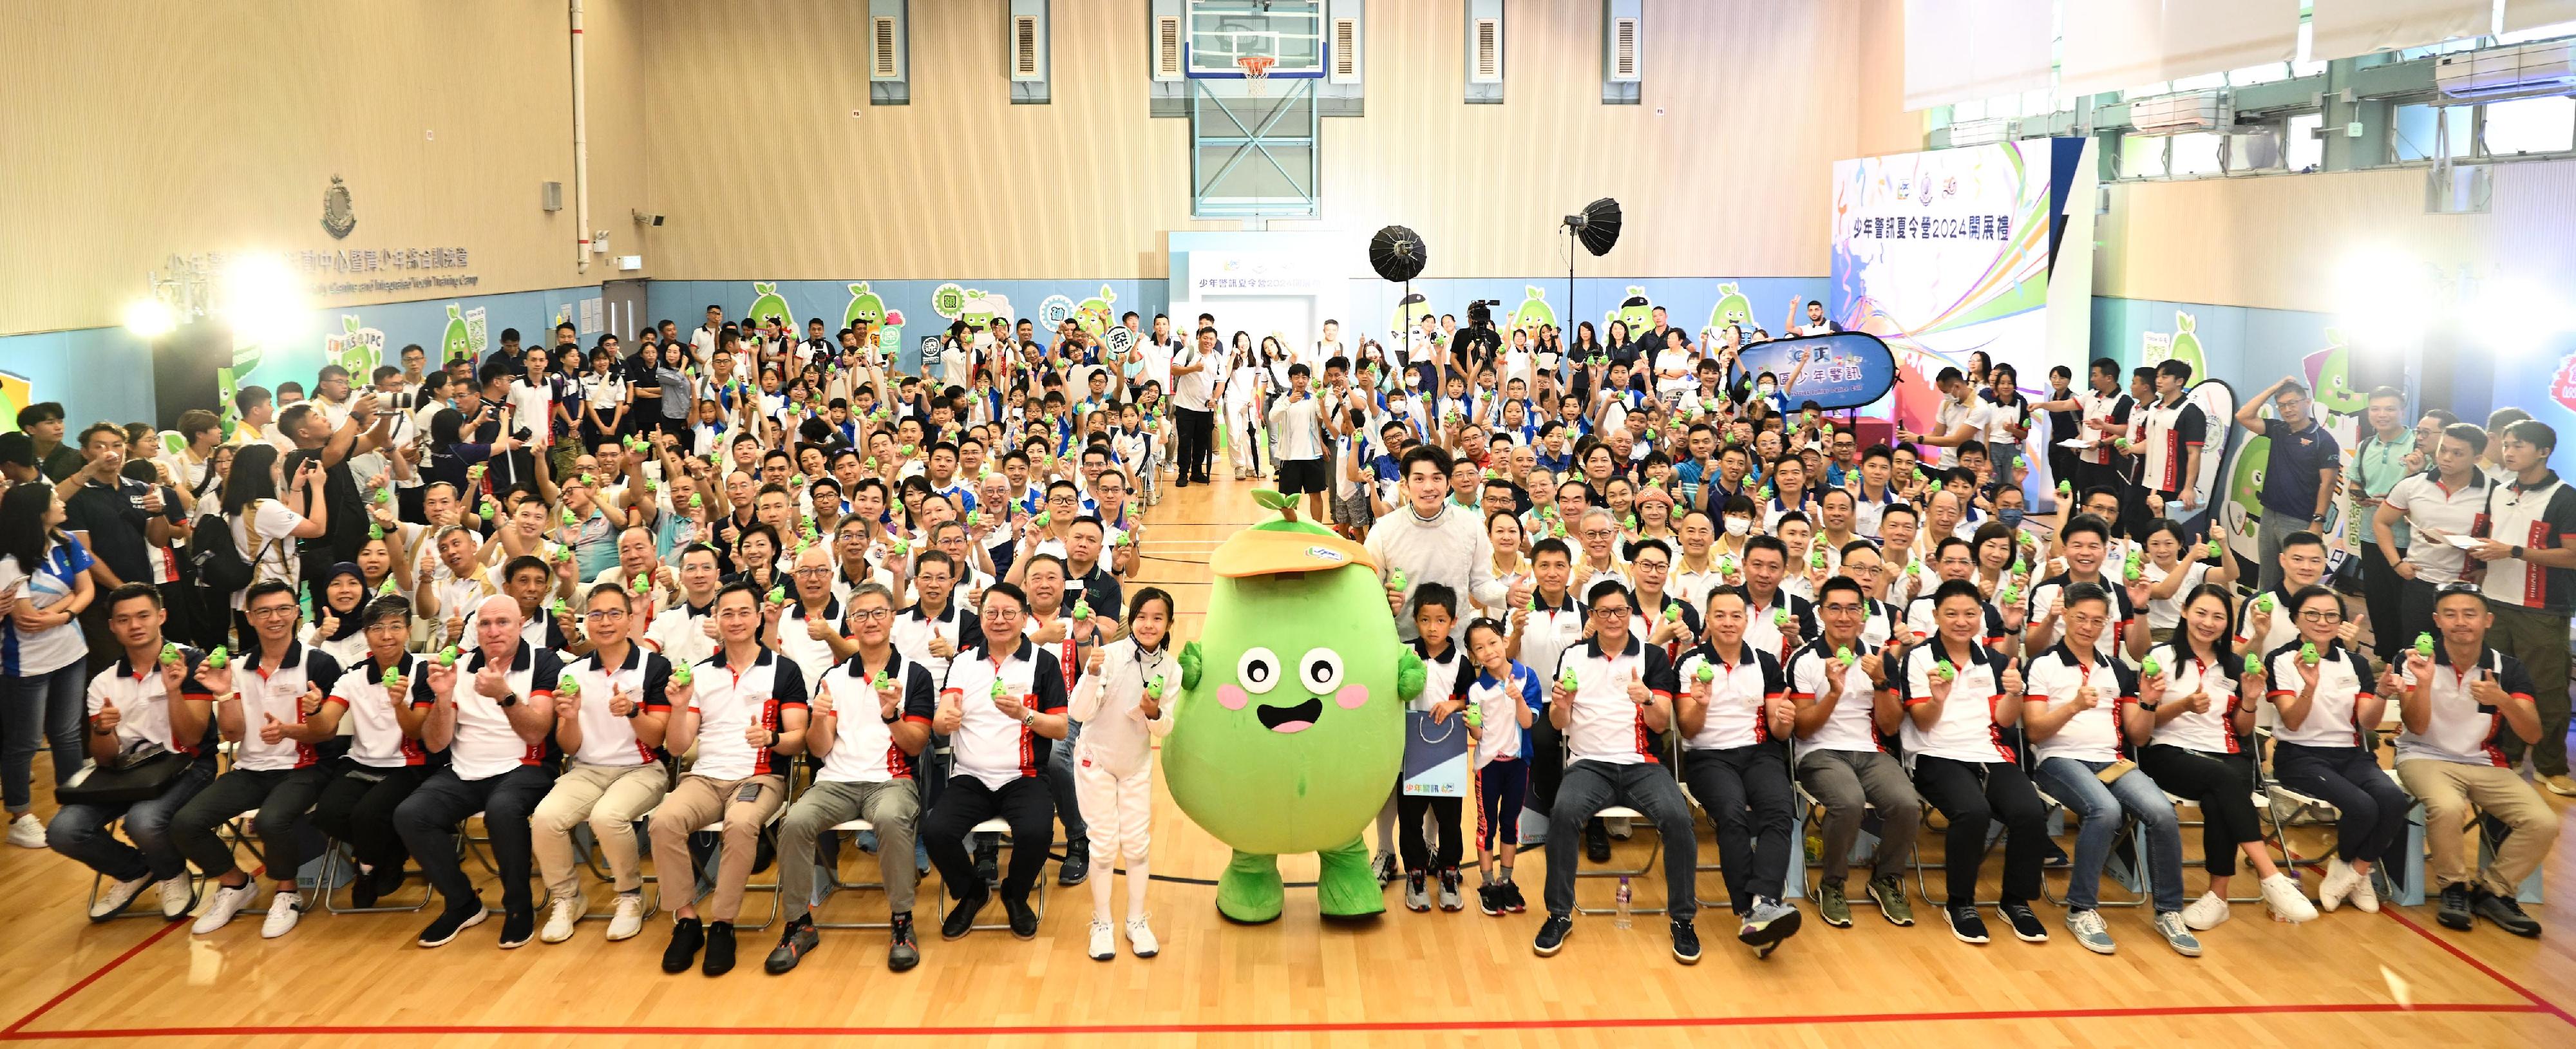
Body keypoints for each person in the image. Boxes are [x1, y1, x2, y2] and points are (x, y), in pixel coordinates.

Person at [2020, 582, 2197, 956]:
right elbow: (2035, 731)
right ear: (2065, 615)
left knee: (2163, 814)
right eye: (2081, 618)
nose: (2088, 626)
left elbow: (2137, 735)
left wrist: (2148, 703)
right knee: (2105, 811)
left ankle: (2169, 911)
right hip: (2058, 759)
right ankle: (2082, 908)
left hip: (2111, 759)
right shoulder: (2043, 664)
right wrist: (2072, 707)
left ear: (2107, 624)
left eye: (2097, 621)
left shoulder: (2117, 669)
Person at [1531, 579, 1699, 965]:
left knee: (1677, 818)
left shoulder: (1652, 658)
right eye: (1603, 611)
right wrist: (1561, 704)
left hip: (1642, 764)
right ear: (1592, 616)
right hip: (1588, 764)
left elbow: (1660, 726)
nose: (1613, 618)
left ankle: (1683, 920)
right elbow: (1559, 724)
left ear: (1630, 614)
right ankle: (1558, 914)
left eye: (1620, 611)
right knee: (1563, 815)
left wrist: (1649, 699)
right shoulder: (1572, 657)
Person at [771, 581, 936, 974]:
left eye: (879, 612)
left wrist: (892, 713)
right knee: (794, 821)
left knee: (893, 819)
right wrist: (820, 719)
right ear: (849, 623)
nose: (871, 621)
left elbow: (915, 747)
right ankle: (798, 923)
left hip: (891, 780)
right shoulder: (833, 676)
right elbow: (819, 748)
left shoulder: (915, 675)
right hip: (836, 782)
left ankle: (902, 921)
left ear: (892, 618)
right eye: (861, 615)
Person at [169, 580, 346, 938]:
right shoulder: (235, 667)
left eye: (283, 609)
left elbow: (328, 733)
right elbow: (233, 734)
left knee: (272, 820)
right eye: (263, 611)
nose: (274, 618)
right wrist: (225, 693)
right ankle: (236, 884)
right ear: (249, 617)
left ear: (298, 612)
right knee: (185, 822)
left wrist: (296, 727)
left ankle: (287, 892)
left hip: (307, 767)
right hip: (251, 769)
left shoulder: (321, 663)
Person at [649, 579, 808, 976]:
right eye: (727, 614)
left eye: (743, 613)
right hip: (704, 777)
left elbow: (798, 738)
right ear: (715, 620)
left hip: (760, 776)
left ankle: (723, 924)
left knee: (740, 823)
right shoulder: (698, 675)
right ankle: (686, 920)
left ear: (758, 618)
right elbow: (676, 746)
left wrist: (772, 738)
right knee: (664, 821)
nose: (735, 621)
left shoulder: (783, 670)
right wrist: (680, 708)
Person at [2137, 584, 2316, 928]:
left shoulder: (2234, 664)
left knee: (2224, 791)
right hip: (2169, 752)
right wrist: (2183, 706)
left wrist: (2249, 699)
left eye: (2219, 617)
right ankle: (2272, 877)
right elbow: (2144, 725)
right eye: (2201, 613)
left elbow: (2243, 728)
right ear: (2185, 611)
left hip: (2225, 752)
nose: (2209, 622)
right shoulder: (2160, 658)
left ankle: (2217, 899)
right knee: (2225, 780)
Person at [392, 593, 564, 949]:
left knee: (502, 812)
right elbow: (436, 744)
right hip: (464, 770)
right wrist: (442, 697)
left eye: (503, 622)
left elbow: (537, 731)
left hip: (525, 765)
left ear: (520, 626)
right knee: (411, 814)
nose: (493, 631)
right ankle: (462, 903)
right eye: (484, 623)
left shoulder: (545, 661)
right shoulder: (457, 665)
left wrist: (505, 695)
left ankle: (519, 907)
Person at [2393, 583, 2557, 936]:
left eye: (2470, 614)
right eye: (2450, 615)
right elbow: (2416, 727)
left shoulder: (2508, 668)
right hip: (2423, 756)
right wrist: (2422, 684)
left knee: (2542, 822)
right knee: (2448, 807)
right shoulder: (2413, 659)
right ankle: (2453, 888)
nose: (2461, 622)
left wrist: (2504, 701)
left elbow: (2533, 735)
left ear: (2488, 620)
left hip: (2484, 762)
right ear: (2437, 621)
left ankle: (2494, 891)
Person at [48, 584, 219, 921]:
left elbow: (192, 736)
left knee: (143, 820)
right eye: (124, 620)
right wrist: (102, 730)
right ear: (112, 626)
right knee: (63, 831)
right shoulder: (103, 682)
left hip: (188, 766)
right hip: (126, 774)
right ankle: (135, 870)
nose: (135, 625)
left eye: (143, 616)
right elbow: (106, 759)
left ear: (161, 617)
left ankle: (172, 874)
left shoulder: (192, 663)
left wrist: (173, 692)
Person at [1900, 579, 2048, 946]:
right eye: (1951, 614)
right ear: (1936, 616)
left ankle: (2016, 901)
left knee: (2030, 811)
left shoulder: (1995, 660)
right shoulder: (1919, 658)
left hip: (1988, 753)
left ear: (1981, 617)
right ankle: (1960, 903)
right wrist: (1937, 698)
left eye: (1970, 614)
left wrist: (2015, 693)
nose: (1961, 621)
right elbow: (1922, 722)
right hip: (1935, 756)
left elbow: (2004, 719)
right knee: (1973, 813)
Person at [923, 581, 1068, 940]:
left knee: (1036, 832)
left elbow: (1061, 729)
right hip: (970, 777)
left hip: (1025, 775)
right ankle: (972, 892)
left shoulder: (1043, 663)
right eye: (991, 613)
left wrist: (1025, 715)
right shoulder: (963, 662)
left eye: (1008, 613)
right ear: (981, 617)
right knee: (936, 832)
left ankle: (1015, 894)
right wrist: (945, 721)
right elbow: (943, 715)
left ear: (1023, 619)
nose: (999, 620)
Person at [531, 582, 674, 945]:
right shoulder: (574, 671)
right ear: (587, 622)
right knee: (546, 819)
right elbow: (568, 745)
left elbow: (657, 739)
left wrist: (633, 712)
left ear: (629, 621)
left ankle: (629, 896)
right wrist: (572, 717)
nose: (605, 622)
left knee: (607, 816)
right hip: (587, 769)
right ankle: (567, 898)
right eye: (596, 614)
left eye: (614, 614)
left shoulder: (654, 667)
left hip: (641, 768)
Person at [1674, 587, 1803, 957]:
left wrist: (1784, 720)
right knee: (1731, 815)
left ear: (1746, 621)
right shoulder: (1689, 664)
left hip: (1760, 753)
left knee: (1780, 810)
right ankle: (1751, 910)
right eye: (1720, 616)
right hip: (1709, 757)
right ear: (1708, 620)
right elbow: (1690, 730)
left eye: (1735, 616)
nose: (1728, 623)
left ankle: (1764, 900)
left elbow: (1779, 732)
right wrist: (1700, 705)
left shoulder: (1765, 663)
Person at [1788, 574, 1920, 929]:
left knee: (1907, 805)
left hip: (1870, 751)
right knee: (1848, 802)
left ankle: (1886, 879)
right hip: (1819, 752)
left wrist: (1880, 682)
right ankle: (1832, 884)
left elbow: (1891, 727)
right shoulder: (1804, 659)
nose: (1843, 617)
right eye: (1835, 608)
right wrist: (1833, 693)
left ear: (1863, 615)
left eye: (1852, 609)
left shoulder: (1879, 659)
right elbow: (1802, 727)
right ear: (1821, 613)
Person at [2262, 585, 2405, 914]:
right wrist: (2309, 688)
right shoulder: (2282, 660)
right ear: (2296, 619)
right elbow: (2293, 723)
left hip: (2351, 755)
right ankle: (2353, 870)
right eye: (2312, 614)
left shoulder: (2354, 663)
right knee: (2363, 807)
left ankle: (2354, 870)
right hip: (2300, 756)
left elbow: (2367, 722)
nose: (2322, 622)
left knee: (2393, 799)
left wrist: (2382, 693)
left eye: (2331, 615)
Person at [1066, 586, 1179, 960]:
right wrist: (1092, 673)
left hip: (1136, 764)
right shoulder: (1109, 655)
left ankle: (1135, 921)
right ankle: (1102, 923)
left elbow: (1164, 729)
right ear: (1132, 620)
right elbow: (1079, 713)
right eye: (1142, 617)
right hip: (1095, 759)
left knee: (1136, 843)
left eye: (1158, 618)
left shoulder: (1171, 670)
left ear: (1169, 624)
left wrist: (1152, 712)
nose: (1149, 625)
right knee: (1102, 845)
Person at [2467, 419, 2576, 796]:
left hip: (2542, 608)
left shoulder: (2564, 497)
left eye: (2519, 446)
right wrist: (2473, 552)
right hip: (2495, 602)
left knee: (2547, 689)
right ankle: (2504, 755)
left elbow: (2573, 556)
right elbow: (2489, 539)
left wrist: (2512, 551)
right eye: (2507, 445)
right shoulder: (2499, 492)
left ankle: (2551, 766)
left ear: (2544, 452)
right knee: (2497, 685)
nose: (2509, 452)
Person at [310, 596, 439, 911]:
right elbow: (325, 725)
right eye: (377, 628)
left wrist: (398, 704)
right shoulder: (353, 675)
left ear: (408, 631)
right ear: (366, 634)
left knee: (367, 815)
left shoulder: (424, 672)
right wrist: (313, 710)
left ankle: (366, 868)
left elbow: (416, 731)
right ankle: (392, 853)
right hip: (360, 762)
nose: (387, 636)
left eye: (396, 627)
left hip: (409, 764)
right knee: (326, 814)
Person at [0, 484, 96, 847]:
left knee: (67, 732)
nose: (61, 502)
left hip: (70, 650)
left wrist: (60, 614)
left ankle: (74, 804)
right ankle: (21, 814)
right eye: (54, 499)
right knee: (23, 742)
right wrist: (69, 605)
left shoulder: (67, 541)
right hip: (26, 663)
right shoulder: (9, 560)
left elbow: (87, 591)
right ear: (37, 511)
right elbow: (25, 619)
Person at [1367, 445, 1505, 645]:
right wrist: (1386, 603)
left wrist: (1507, 595)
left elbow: (1480, 583)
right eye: (1419, 479)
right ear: (1404, 485)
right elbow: (1370, 590)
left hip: (1455, 644)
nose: (1429, 487)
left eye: (1437, 478)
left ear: (1448, 483)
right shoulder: (1383, 531)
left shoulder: (1470, 525)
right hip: (1402, 645)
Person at [2375, 422, 2489, 659]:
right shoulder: (2413, 484)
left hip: (2467, 588)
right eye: (2442, 450)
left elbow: (2500, 541)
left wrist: (2484, 568)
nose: (2446, 458)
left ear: (2477, 457)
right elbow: (2381, 522)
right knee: (2415, 653)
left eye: (2458, 453)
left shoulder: (2495, 492)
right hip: (2420, 583)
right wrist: (2397, 564)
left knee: (2463, 655)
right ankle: (2407, 695)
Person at [1399, 584, 1473, 914]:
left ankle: (1449, 872)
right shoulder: (1405, 654)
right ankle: (1415, 874)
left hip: (1447, 754)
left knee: (1450, 819)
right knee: (1410, 818)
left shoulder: (1461, 662)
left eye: (1440, 620)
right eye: (1425, 619)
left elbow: (1470, 701)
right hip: (1410, 752)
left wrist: (1454, 705)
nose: (1432, 627)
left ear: (1453, 622)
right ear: (1415, 620)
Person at [1462, 616, 1540, 915]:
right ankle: (1486, 883)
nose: (1489, 651)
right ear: (1473, 655)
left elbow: (1528, 721)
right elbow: (1479, 734)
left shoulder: (1526, 676)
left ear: (1505, 641)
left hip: (1518, 763)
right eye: (1479, 648)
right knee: (1486, 824)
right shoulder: (1476, 690)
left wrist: (1518, 698)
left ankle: (1506, 880)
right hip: (1488, 765)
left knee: (1511, 823)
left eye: (1493, 642)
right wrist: (1472, 726)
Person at [2233, 379, 2341, 594]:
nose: (2287, 409)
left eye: (2293, 403)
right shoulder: (2278, 429)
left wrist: (2318, 522)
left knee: (2299, 578)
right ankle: (2265, 619)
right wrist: (2274, 387)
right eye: (2282, 405)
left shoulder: (2323, 440)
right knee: (2268, 576)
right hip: (2270, 513)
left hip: (2300, 519)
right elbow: (2242, 416)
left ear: (2307, 402)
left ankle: (2298, 620)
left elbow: (2328, 484)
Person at [2347, 386, 2414, 664]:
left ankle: (2408, 664)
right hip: (2370, 533)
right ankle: (2386, 658)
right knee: (2378, 601)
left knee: (2407, 606)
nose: (2381, 415)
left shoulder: (2418, 447)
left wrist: (2396, 502)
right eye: (2375, 409)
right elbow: (2354, 482)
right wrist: (2358, 496)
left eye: (2389, 409)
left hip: (2408, 541)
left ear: (2402, 411)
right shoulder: (2365, 446)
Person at [1269, 363, 1331, 522]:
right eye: (1297, 377)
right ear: (1290, 379)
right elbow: (1273, 417)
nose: (1301, 381)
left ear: (1309, 380)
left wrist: (1322, 400)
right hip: (1290, 457)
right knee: (1290, 498)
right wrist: (1289, 401)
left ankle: (1317, 528)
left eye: (1304, 377)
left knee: (1316, 495)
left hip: (1313, 455)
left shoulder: (1314, 399)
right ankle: (1292, 528)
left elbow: (1324, 417)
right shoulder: (1283, 399)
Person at [1170, 326, 1217, 487]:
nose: (1208, 341)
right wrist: (1193, 368)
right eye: (1205, 338)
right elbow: (1174, 370)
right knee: (1185, 441)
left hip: (1205, 408)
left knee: (1201, 442)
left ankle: (1197, 472)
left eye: (1211, 339)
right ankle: (1183, 474)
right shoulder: (1187, 352)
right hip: (1185, 406)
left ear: (1215, 341)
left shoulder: (1217, 357)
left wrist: (1215, 398)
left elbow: (1221, 381)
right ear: (1199, 338)